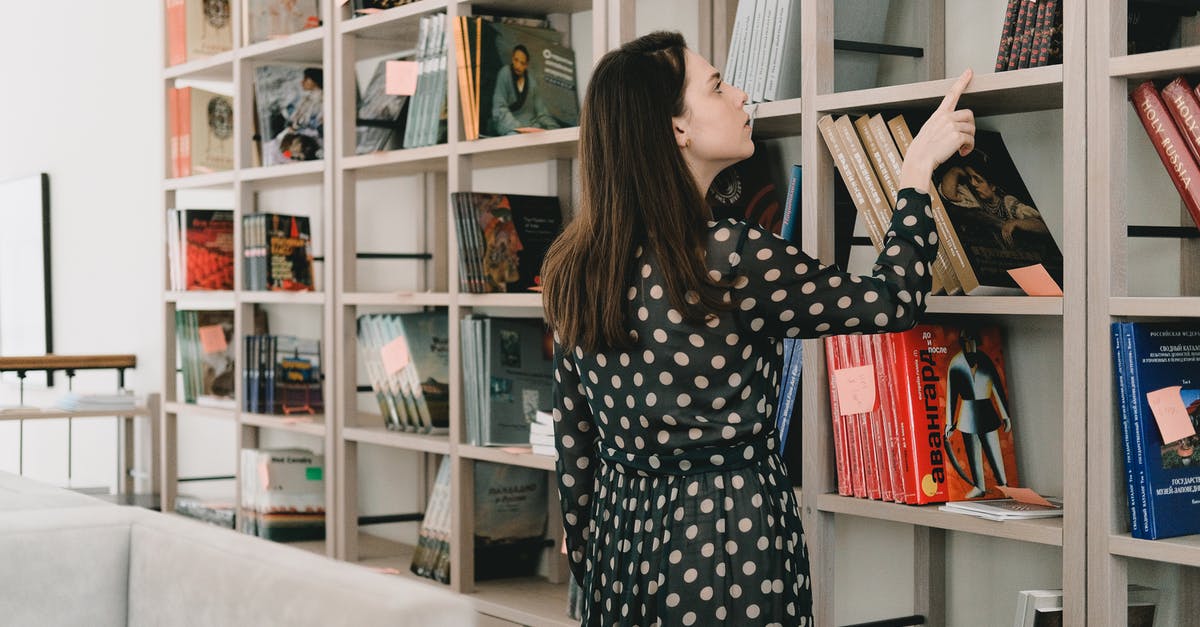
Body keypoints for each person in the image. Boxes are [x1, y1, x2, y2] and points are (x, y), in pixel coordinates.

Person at [541, 31, 976, 625]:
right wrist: (916, 172)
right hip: (725, 534)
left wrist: (590, 547)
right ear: (677, 130)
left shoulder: (574, 265)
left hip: (621, 534)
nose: (742, 95)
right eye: (718, 87)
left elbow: (574, 436)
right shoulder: (728, 255)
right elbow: (892, 302)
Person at [943, 327, 1012, 498]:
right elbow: (951, 394)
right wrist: (949, 422)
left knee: (993, 449)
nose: (971, 345)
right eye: (967, 341)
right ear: (963, 343)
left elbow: (997, 387)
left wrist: (1005, 415)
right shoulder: (956, 363)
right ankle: (979, 485)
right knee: (973, 453)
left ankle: (1004, 484)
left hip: (987, 411)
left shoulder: (985, 360)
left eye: (973, 341)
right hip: (967, 413)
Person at [938, 154, 1049, 247]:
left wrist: (1016, 222)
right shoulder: (973, 198)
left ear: (992, 186)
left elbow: (1043, 227)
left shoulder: (1008, 203)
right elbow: (949, 194)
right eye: (970, 178)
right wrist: (955, 171)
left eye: (978, 180)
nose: (973, 183)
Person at [491, 44, 560, 135]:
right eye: (516, 60)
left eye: (522, 63)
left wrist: (554, 128)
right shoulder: (504, 73)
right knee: (514, 137)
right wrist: (519, 127)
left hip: (530, 125)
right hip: (508, 124)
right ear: (512, 58)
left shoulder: (532, 82)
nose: (518, 66)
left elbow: (541, 112)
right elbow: (499, 108)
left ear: (526, 65)